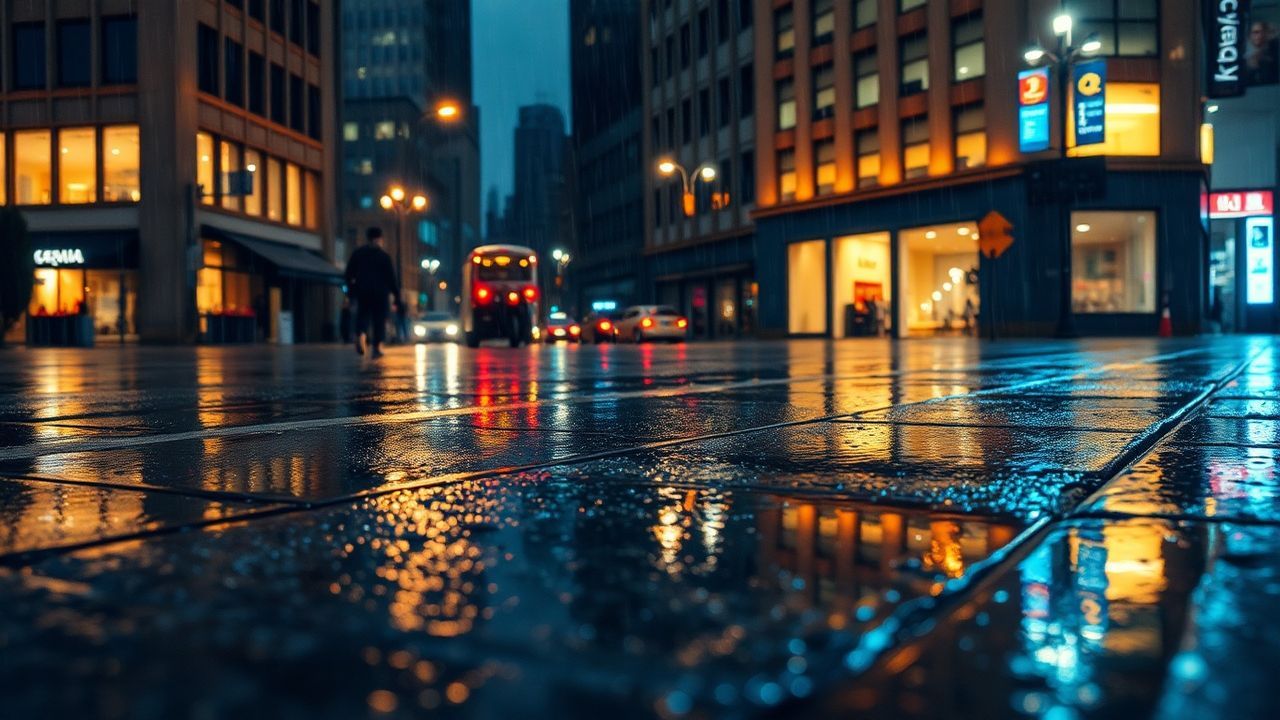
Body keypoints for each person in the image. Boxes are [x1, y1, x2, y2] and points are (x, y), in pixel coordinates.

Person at [344, 227, 399, 358]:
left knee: (363, 315)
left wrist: (351, 291)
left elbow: (348, 274)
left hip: (362, 291)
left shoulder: (358, 254)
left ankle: (361, 335)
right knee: (379, 319)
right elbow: (391, 278)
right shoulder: (384, 256)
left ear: (367, 238)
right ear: (380, 239)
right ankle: (377, 346)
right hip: (380, 293)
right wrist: (396, 296)